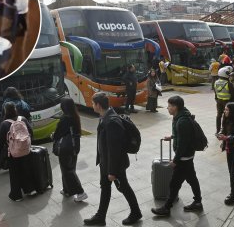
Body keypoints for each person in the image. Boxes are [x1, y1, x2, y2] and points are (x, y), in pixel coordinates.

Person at [84, 92, 142, 226]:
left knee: (124, 188)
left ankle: (136, 212)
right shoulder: (105, 117)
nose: (92, 105)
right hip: (107, 163)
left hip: (115, 165)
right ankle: (100, 216)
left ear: (98, 105)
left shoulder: (112, 122)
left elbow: (114, 149)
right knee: (105, 188)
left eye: (93, 103)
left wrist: (112, 171)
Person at [151, 96, 203, 216]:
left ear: (175, 107)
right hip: (187, 156)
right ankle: (198, 202)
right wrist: (173, 136)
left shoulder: (182, 121)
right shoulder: (180, 116)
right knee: (192, 179)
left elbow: (183, 144)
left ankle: (166, 208)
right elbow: (183, 136)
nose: (168, 108)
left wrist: (175, 160)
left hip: (183, 157)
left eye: (169, 106)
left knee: (174, 184)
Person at [0, 102, 35, 201]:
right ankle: (30, 190)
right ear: (15, 109)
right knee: (26, 169)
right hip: (26, 150)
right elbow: (31, 132)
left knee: (14, 173)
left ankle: (16, 195)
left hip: (13, 153)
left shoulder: (4, 124)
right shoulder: (23, 119)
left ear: (5, 111)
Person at [52, 97, 87, 202]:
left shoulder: (65, 118)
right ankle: (67, 190)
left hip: (65, 148)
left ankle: (81, 192)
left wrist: (53, 136)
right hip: (74, 146)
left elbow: (58, 134)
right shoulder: (75, 116)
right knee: (70, 168)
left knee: (67, 170)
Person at [214, 66, 233, 133]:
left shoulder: (216, 82)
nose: (229, 75)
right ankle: (224, 129)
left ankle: (217, 130)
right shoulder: (228, 83)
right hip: (227, 102)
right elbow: (232, 92)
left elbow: (215, 91)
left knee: (219, 115)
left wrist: (216, 99)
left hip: (219, 101)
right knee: (226, 116)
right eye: (228, 73)